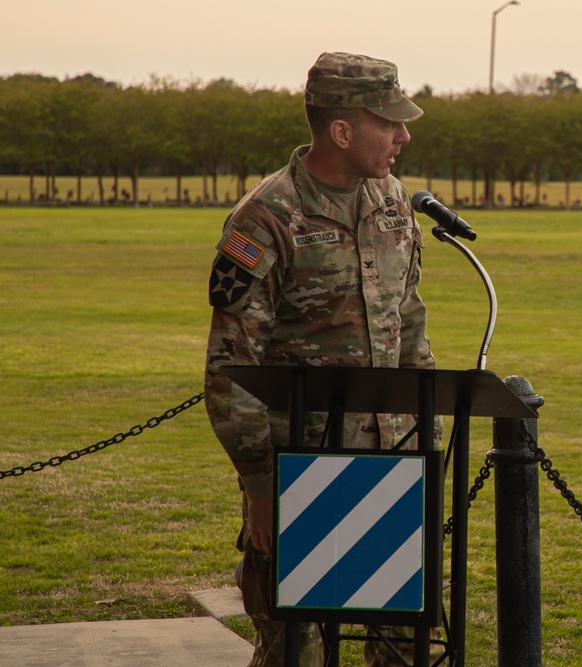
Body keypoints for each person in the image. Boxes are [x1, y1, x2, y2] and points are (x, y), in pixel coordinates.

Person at [204, 52, 437, 667]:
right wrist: (258, 483)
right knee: (297, 646)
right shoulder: (263, 219)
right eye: (389, 122)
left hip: (392, 462)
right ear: (342, 130)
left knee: (407, 639)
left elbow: (408, 326)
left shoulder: (392, 203)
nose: (403, 135)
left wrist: (427, 440)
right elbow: (230, 368)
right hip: (301, 468)